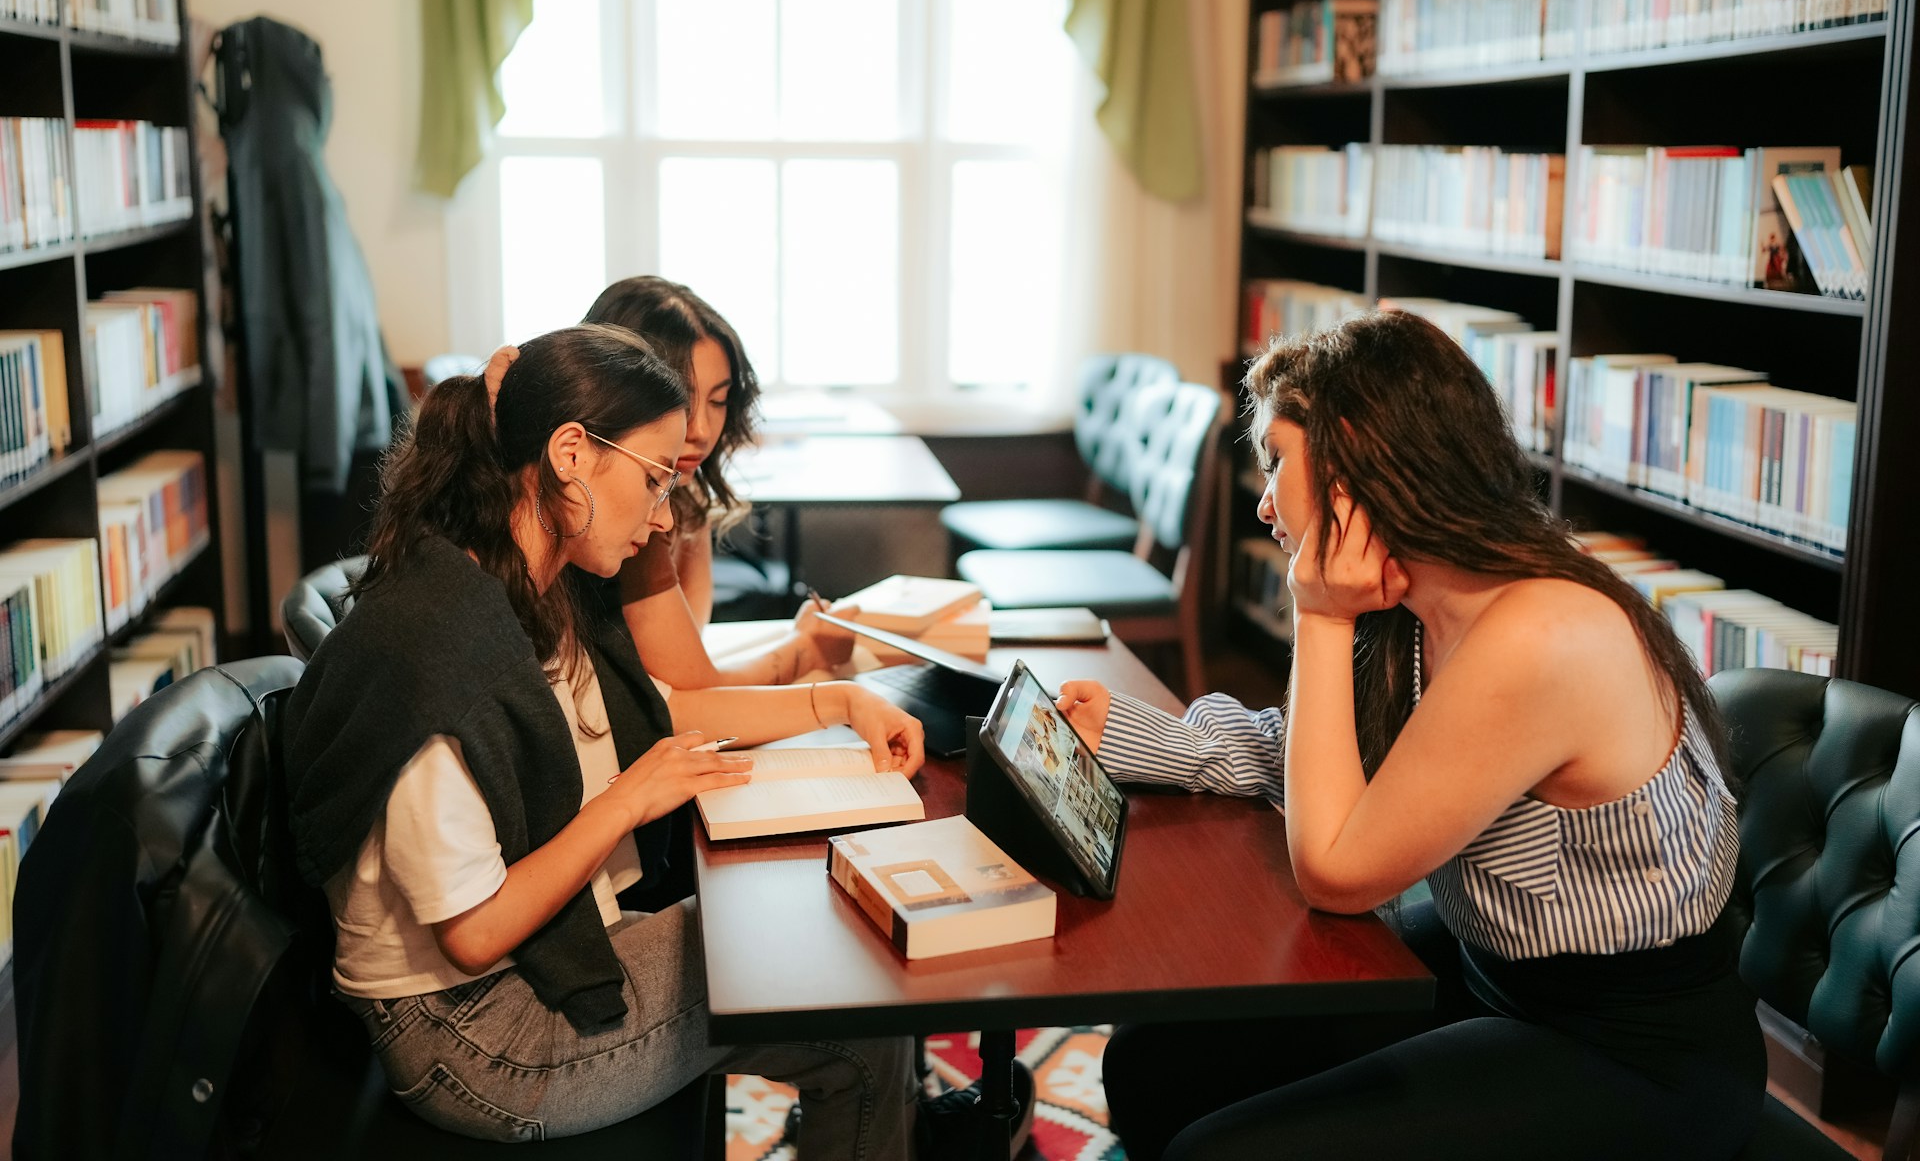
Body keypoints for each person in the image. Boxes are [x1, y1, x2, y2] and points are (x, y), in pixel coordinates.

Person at [1053, 310, 1764, 1160]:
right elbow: (1319, 755)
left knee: (1220, 1152)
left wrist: (1318, 613)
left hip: (1631, 1049)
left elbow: (1335, 873)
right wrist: (1128, 736)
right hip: (1487, 969)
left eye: (1277, 461)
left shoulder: (1541, 631)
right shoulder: (1418, 603)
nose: (1265, 499)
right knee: (1152, 1061)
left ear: (1357, 451)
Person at [278, 323, 980, 1153]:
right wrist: (625, 801)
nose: (658, 521)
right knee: (856, 1024)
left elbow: (664, 711)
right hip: (468, 1031)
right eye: (652, 480)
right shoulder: (440, 650)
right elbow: (471, 932)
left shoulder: (521, 583)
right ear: (571, 453)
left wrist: (836, 700)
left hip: (526, 965)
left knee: (831, 960)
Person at [489, 276, 855, 692]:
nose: (698, 429)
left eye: (718, 401)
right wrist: (805, 653)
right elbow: (693, 691)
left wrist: (678, 488)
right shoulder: (608, 519)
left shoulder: (671, 496)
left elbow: (691, 641)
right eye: (681, 400)